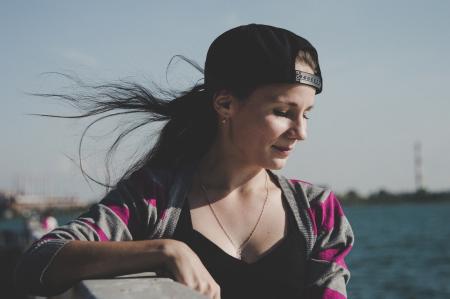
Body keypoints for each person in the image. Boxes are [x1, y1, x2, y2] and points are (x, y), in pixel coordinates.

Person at [14, 24, 354, 299]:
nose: (300, 132)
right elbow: (39, 262)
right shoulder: (152, 198)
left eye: (307, 114)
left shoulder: (316, 211)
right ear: (225, 105)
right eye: (283, 112)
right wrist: (164, 250)